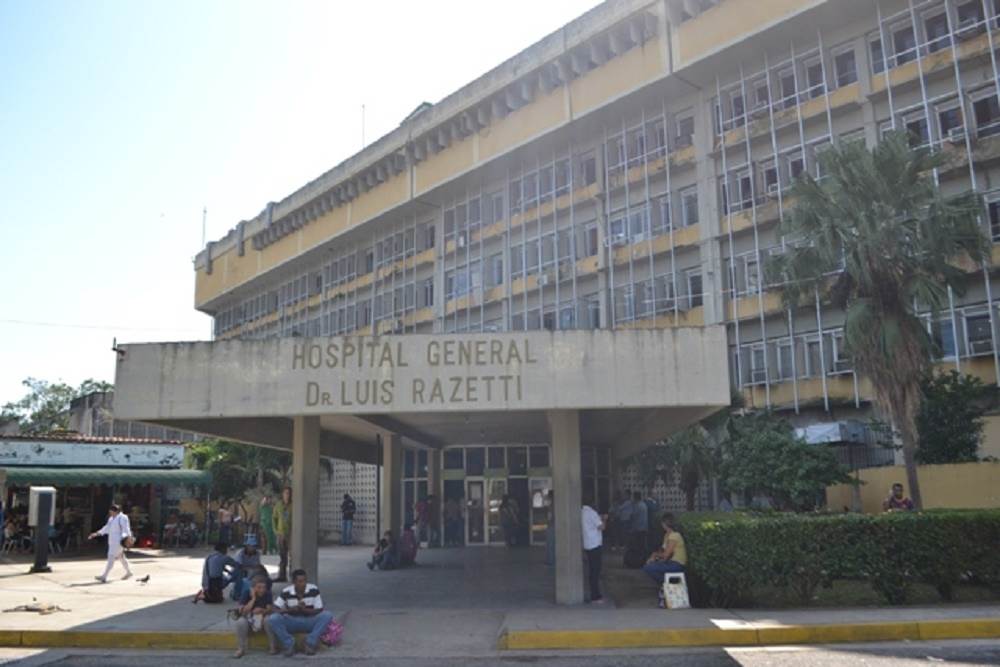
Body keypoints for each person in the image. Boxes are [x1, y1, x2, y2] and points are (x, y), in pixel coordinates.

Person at [267, 569, 334, 657]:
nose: (303, 584)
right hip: (292, 621)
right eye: (300, 581)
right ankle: (289, 644)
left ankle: (309, 643)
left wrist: (304, 610)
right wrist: (291, 610)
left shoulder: (313, 589)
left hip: (309, 620)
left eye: (305, 580)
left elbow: (319, 610)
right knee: (273, 618)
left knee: (327, 615)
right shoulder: (286, 591)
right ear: (294, 582)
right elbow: (275, 609)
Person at [642, 513, 688, 608]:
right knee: (649, 567)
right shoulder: (667, 535)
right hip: (670, 562)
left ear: (664, 524)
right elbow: (662, 551)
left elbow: (666, 555)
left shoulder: (674, 536)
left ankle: (665, 585)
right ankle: (665, 585)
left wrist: (654, 556)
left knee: (649, 568)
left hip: (676, 564)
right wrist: (654, 557)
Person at [88, 504, 133, 583]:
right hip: (113, 541)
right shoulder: (111, 519)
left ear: (115, 511)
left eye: (111, 511)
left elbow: (126, 529)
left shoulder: (122, 518)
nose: (110, 512)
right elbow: (106, 528)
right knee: (121, 557)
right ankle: (129, 572)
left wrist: (127, 538)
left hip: (119, 541)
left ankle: (104, 576)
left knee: (111, 557)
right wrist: (97, 533)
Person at [233, 574, 274, 659]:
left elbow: (270, 609)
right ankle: (241, 648)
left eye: (264, 587)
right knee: (240, 622)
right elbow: (243, 612)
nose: (262, 590)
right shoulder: (246, 593)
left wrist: (262, 611)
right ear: (253, 588)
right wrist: (253, 599)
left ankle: (272, 646)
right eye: (259, 587)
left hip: (262, 620)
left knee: (269, 620)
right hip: (249, 620)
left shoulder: (268, 594)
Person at [581, 498, 606, 604]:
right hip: (595, 544)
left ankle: (594, 594)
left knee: (592, 570)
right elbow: (602, 527)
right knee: (595, 571)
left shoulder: (582, 512)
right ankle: (595, 596)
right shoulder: (592, 513)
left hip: (587, 544)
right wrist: (604, 519)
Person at [231, 535, 262, 601]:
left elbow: (257, 565)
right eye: (251, 546)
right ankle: (236, 594)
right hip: (239, 570)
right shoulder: (240, 553)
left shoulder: (257, 554)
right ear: (247, 546)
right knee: (239, 575)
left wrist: (255, 570)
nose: (253, 548)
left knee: (260, 573)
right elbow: (238, 566)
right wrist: (249, 569)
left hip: (251, 570)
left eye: (254, 546)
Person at [273, 487, 292, 582]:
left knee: (293, 556)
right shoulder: (278, 505)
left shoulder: (293, 505)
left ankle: (293, 576)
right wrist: (276, 530)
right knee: (282, 556)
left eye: (289, 493)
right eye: (286, 493)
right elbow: (274, 518)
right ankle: (282, 576)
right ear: (282, 494)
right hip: (281, 534)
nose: (287, 495)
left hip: (291, 534)